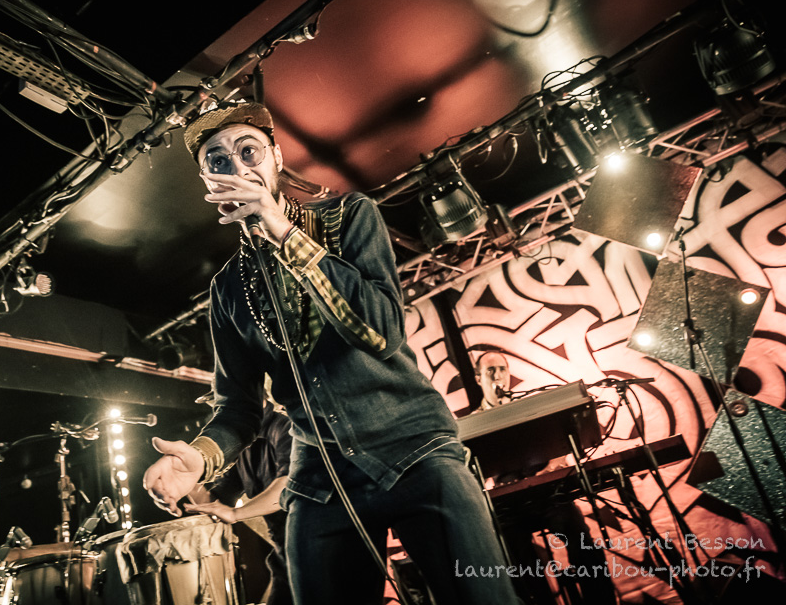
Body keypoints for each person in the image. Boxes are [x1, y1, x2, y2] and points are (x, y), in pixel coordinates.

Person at [143, 101, 521, 605]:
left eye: (249, 151)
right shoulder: (227, 288)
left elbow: (381, 332)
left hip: (414, 449)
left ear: (276, 157)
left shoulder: (350, 217)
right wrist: (200, 457)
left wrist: (281, 229)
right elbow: (238, 407)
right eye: (218, 160)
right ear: (209, 182)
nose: (237, 166)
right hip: (320, 477)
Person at [473, 350, 618, 604]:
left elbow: (560, 447)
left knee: (580, 537)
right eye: (490, 370)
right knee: (515, 557)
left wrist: (551, 467)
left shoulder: (528, 407)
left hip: (548, 492)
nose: (497, 376)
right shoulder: (475, 421)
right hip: (508, 504)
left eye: (502, 369)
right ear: (478, 378)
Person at [185, 390, 293, 605]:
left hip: (315, 544)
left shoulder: (286, 427)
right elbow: (216, 502)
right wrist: (187, 475)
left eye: (224, 407)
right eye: (217, 409)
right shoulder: (243, 446)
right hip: (284, 549)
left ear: (256, 397)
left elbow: (286, 487)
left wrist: (236, 513)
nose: (221, 415)